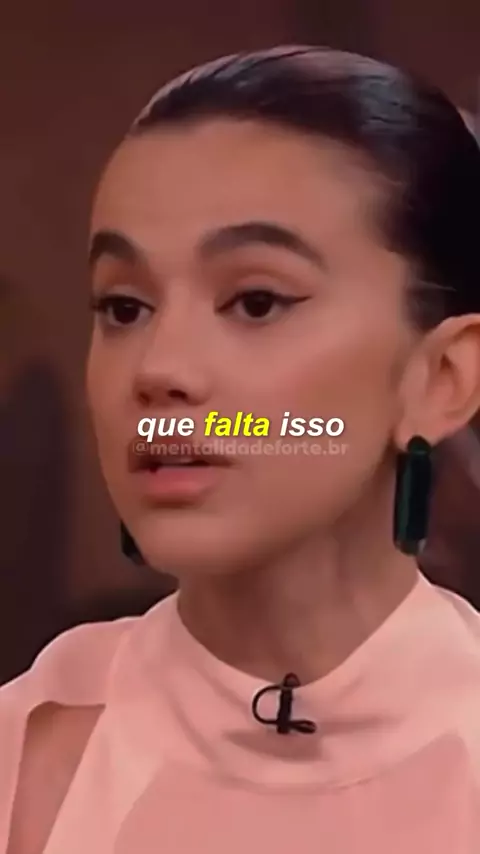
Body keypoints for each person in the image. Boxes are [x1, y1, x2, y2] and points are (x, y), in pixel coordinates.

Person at [2, 45, 480, 853]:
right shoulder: (28, 763)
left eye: (256, 301)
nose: (158, 370)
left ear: (441, 378)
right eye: (124, 307)